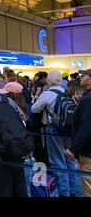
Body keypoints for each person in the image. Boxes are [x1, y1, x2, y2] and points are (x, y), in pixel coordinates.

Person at [31, 71, 78, 197]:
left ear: (48, 81)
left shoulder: (47, 93)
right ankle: (72, 190)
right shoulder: (67, 92)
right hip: (69, 129)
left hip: (54, 129)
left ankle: (64, 192)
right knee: (70, 160)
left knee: (58, 161)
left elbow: (34, 109)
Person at [67, 69, 91, 197]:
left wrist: (73, 148)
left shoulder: (88, 99)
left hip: (88, 152)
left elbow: (86, 127)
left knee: (88, 187)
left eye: (84, 75)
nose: (81, 77)